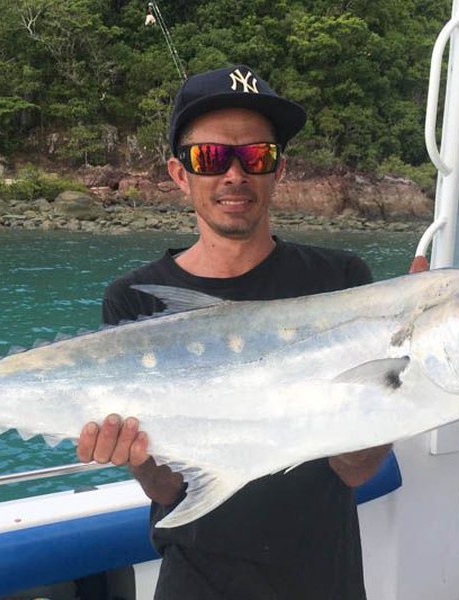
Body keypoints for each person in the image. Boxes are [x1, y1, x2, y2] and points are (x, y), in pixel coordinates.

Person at [76, 64, 391, 599]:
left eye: (255, 157)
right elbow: (168, 487)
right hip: (196, 580)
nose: (234, 175)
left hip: (324, 579)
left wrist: (406, 365)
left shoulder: (342, 282)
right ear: (181, 174)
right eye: (211, 157)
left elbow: (356, 468)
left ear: (279, 169)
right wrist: (133, 455)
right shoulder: (134, 298)